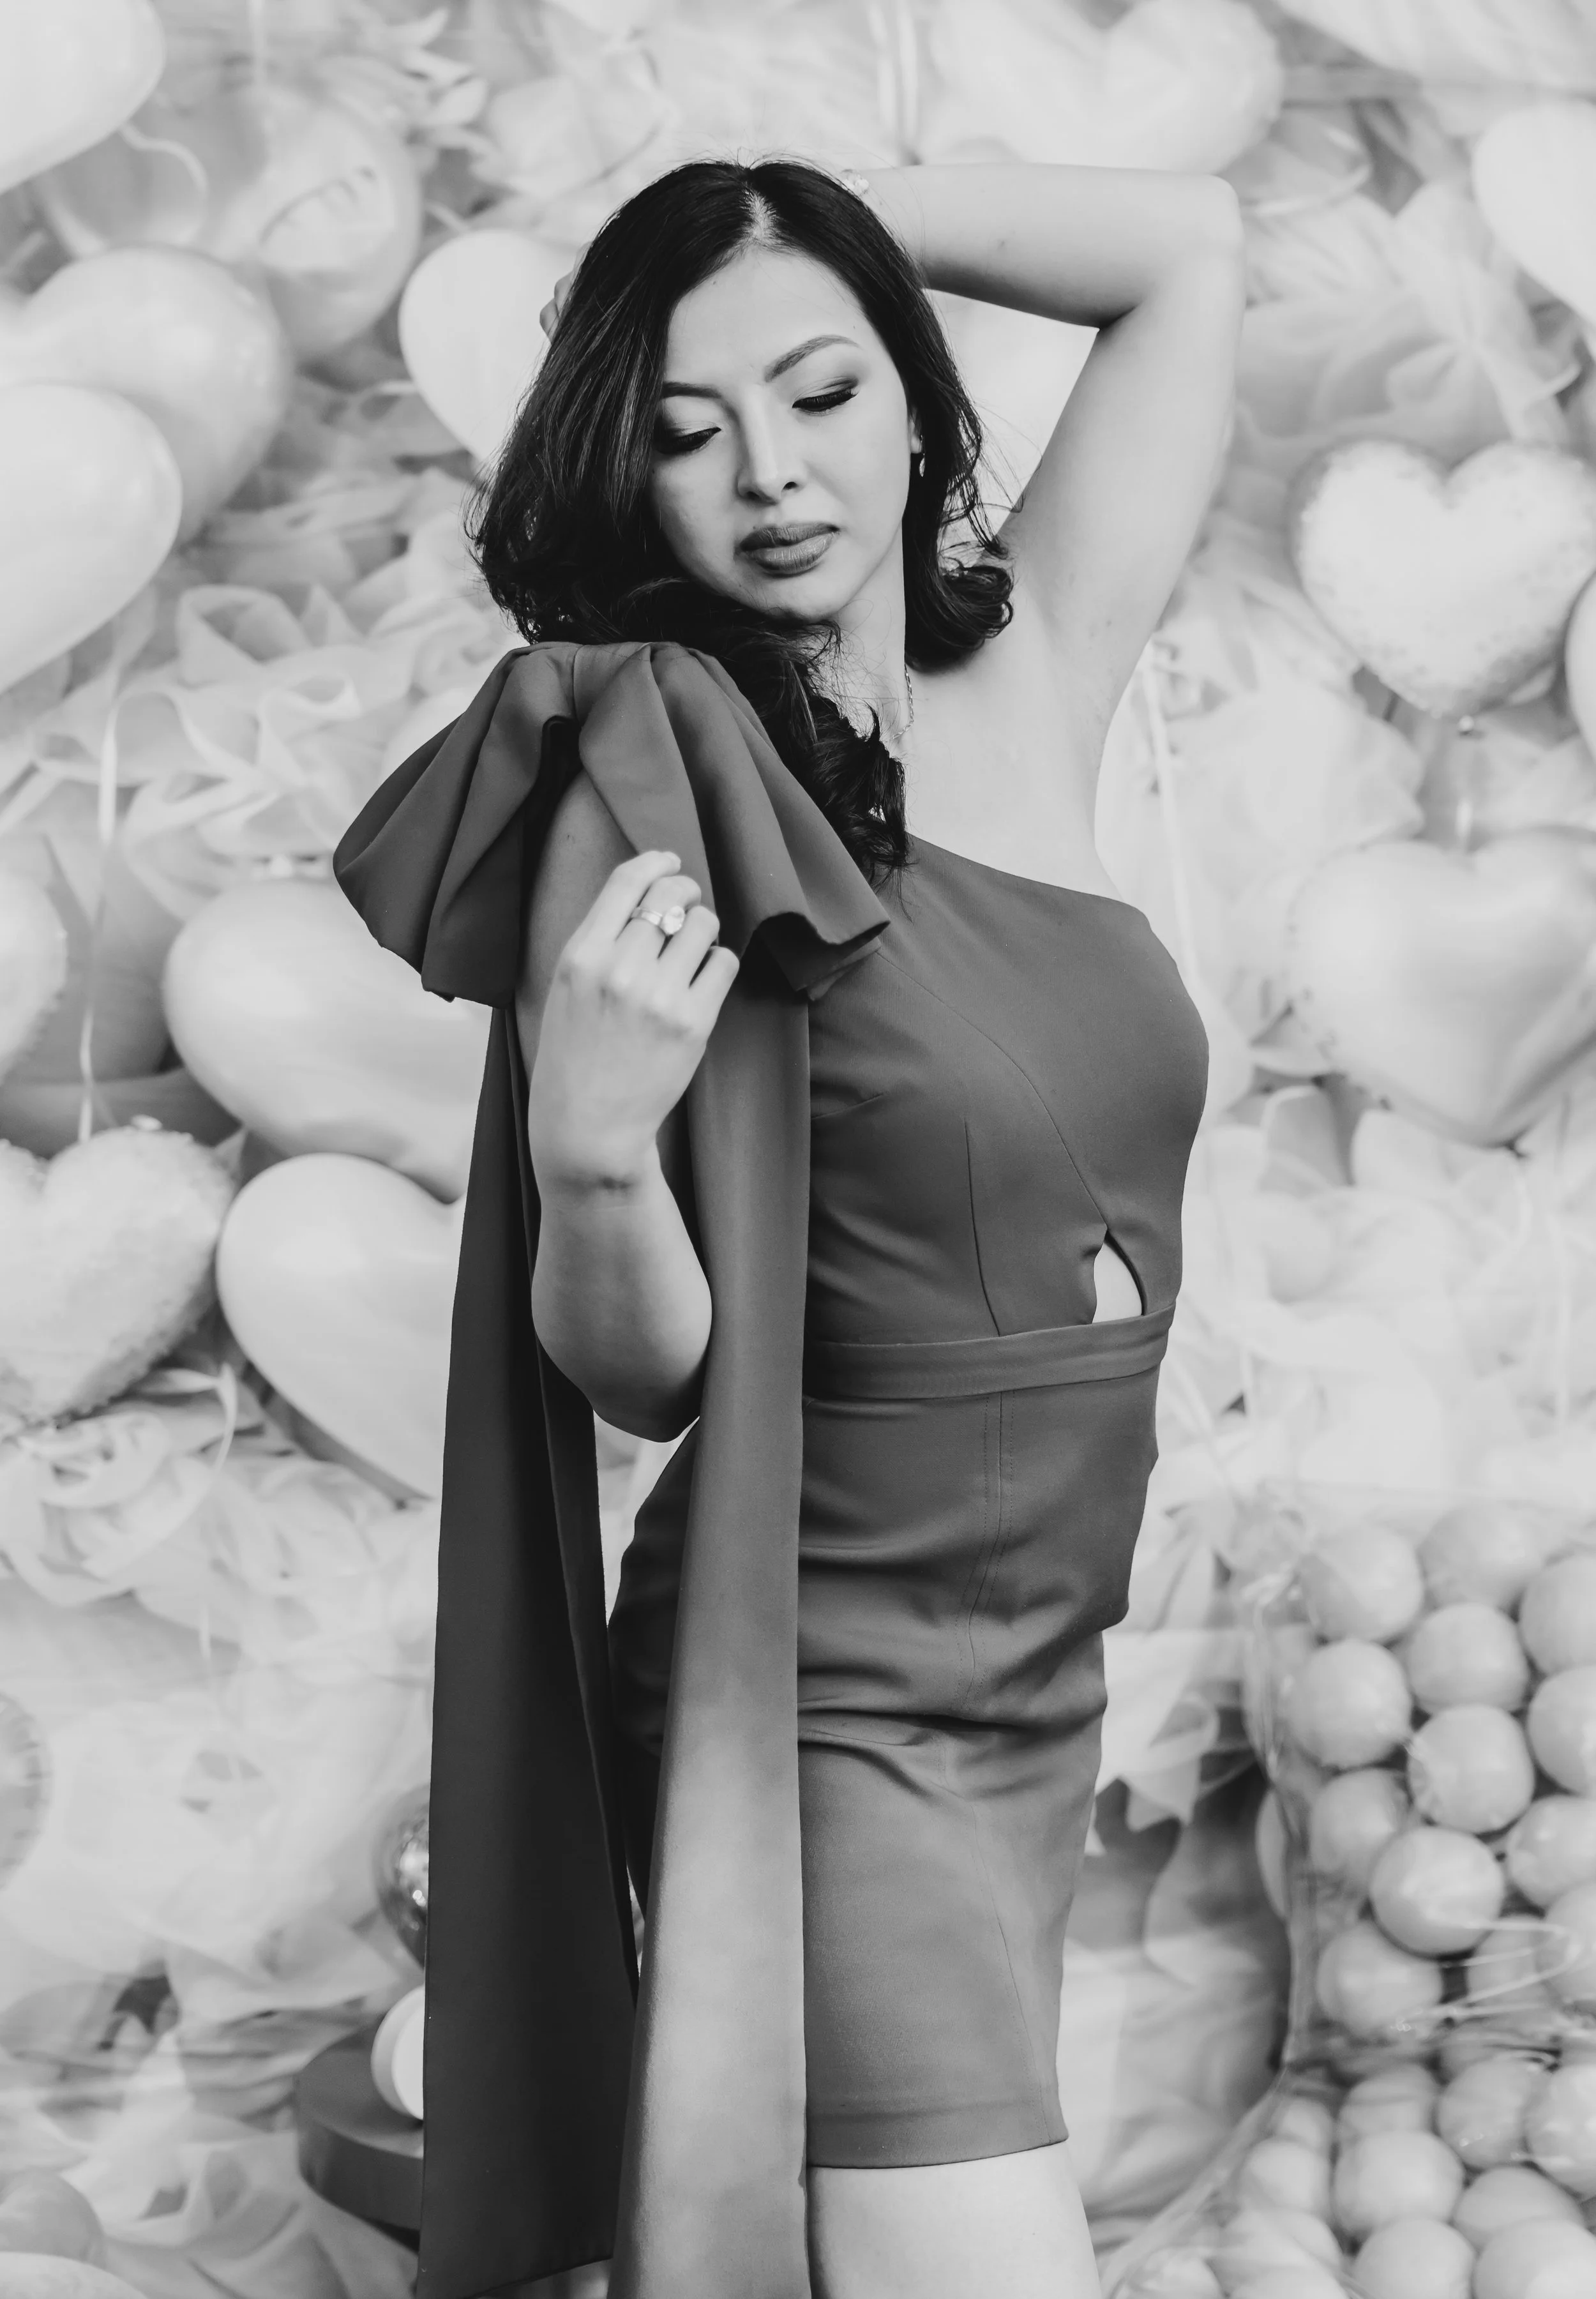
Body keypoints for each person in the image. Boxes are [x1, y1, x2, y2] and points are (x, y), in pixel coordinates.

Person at [361, 153, 1240, 2299]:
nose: (769, 474)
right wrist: (590, 1157)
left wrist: (805, 213)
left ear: (917, 407)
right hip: (821, 1683)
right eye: (686, 429)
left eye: (822, 392)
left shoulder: (1032, 667)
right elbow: (654, 1378)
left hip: (1037, 1666)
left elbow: (1184, 248)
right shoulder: (657, 777)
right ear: (628, 476)